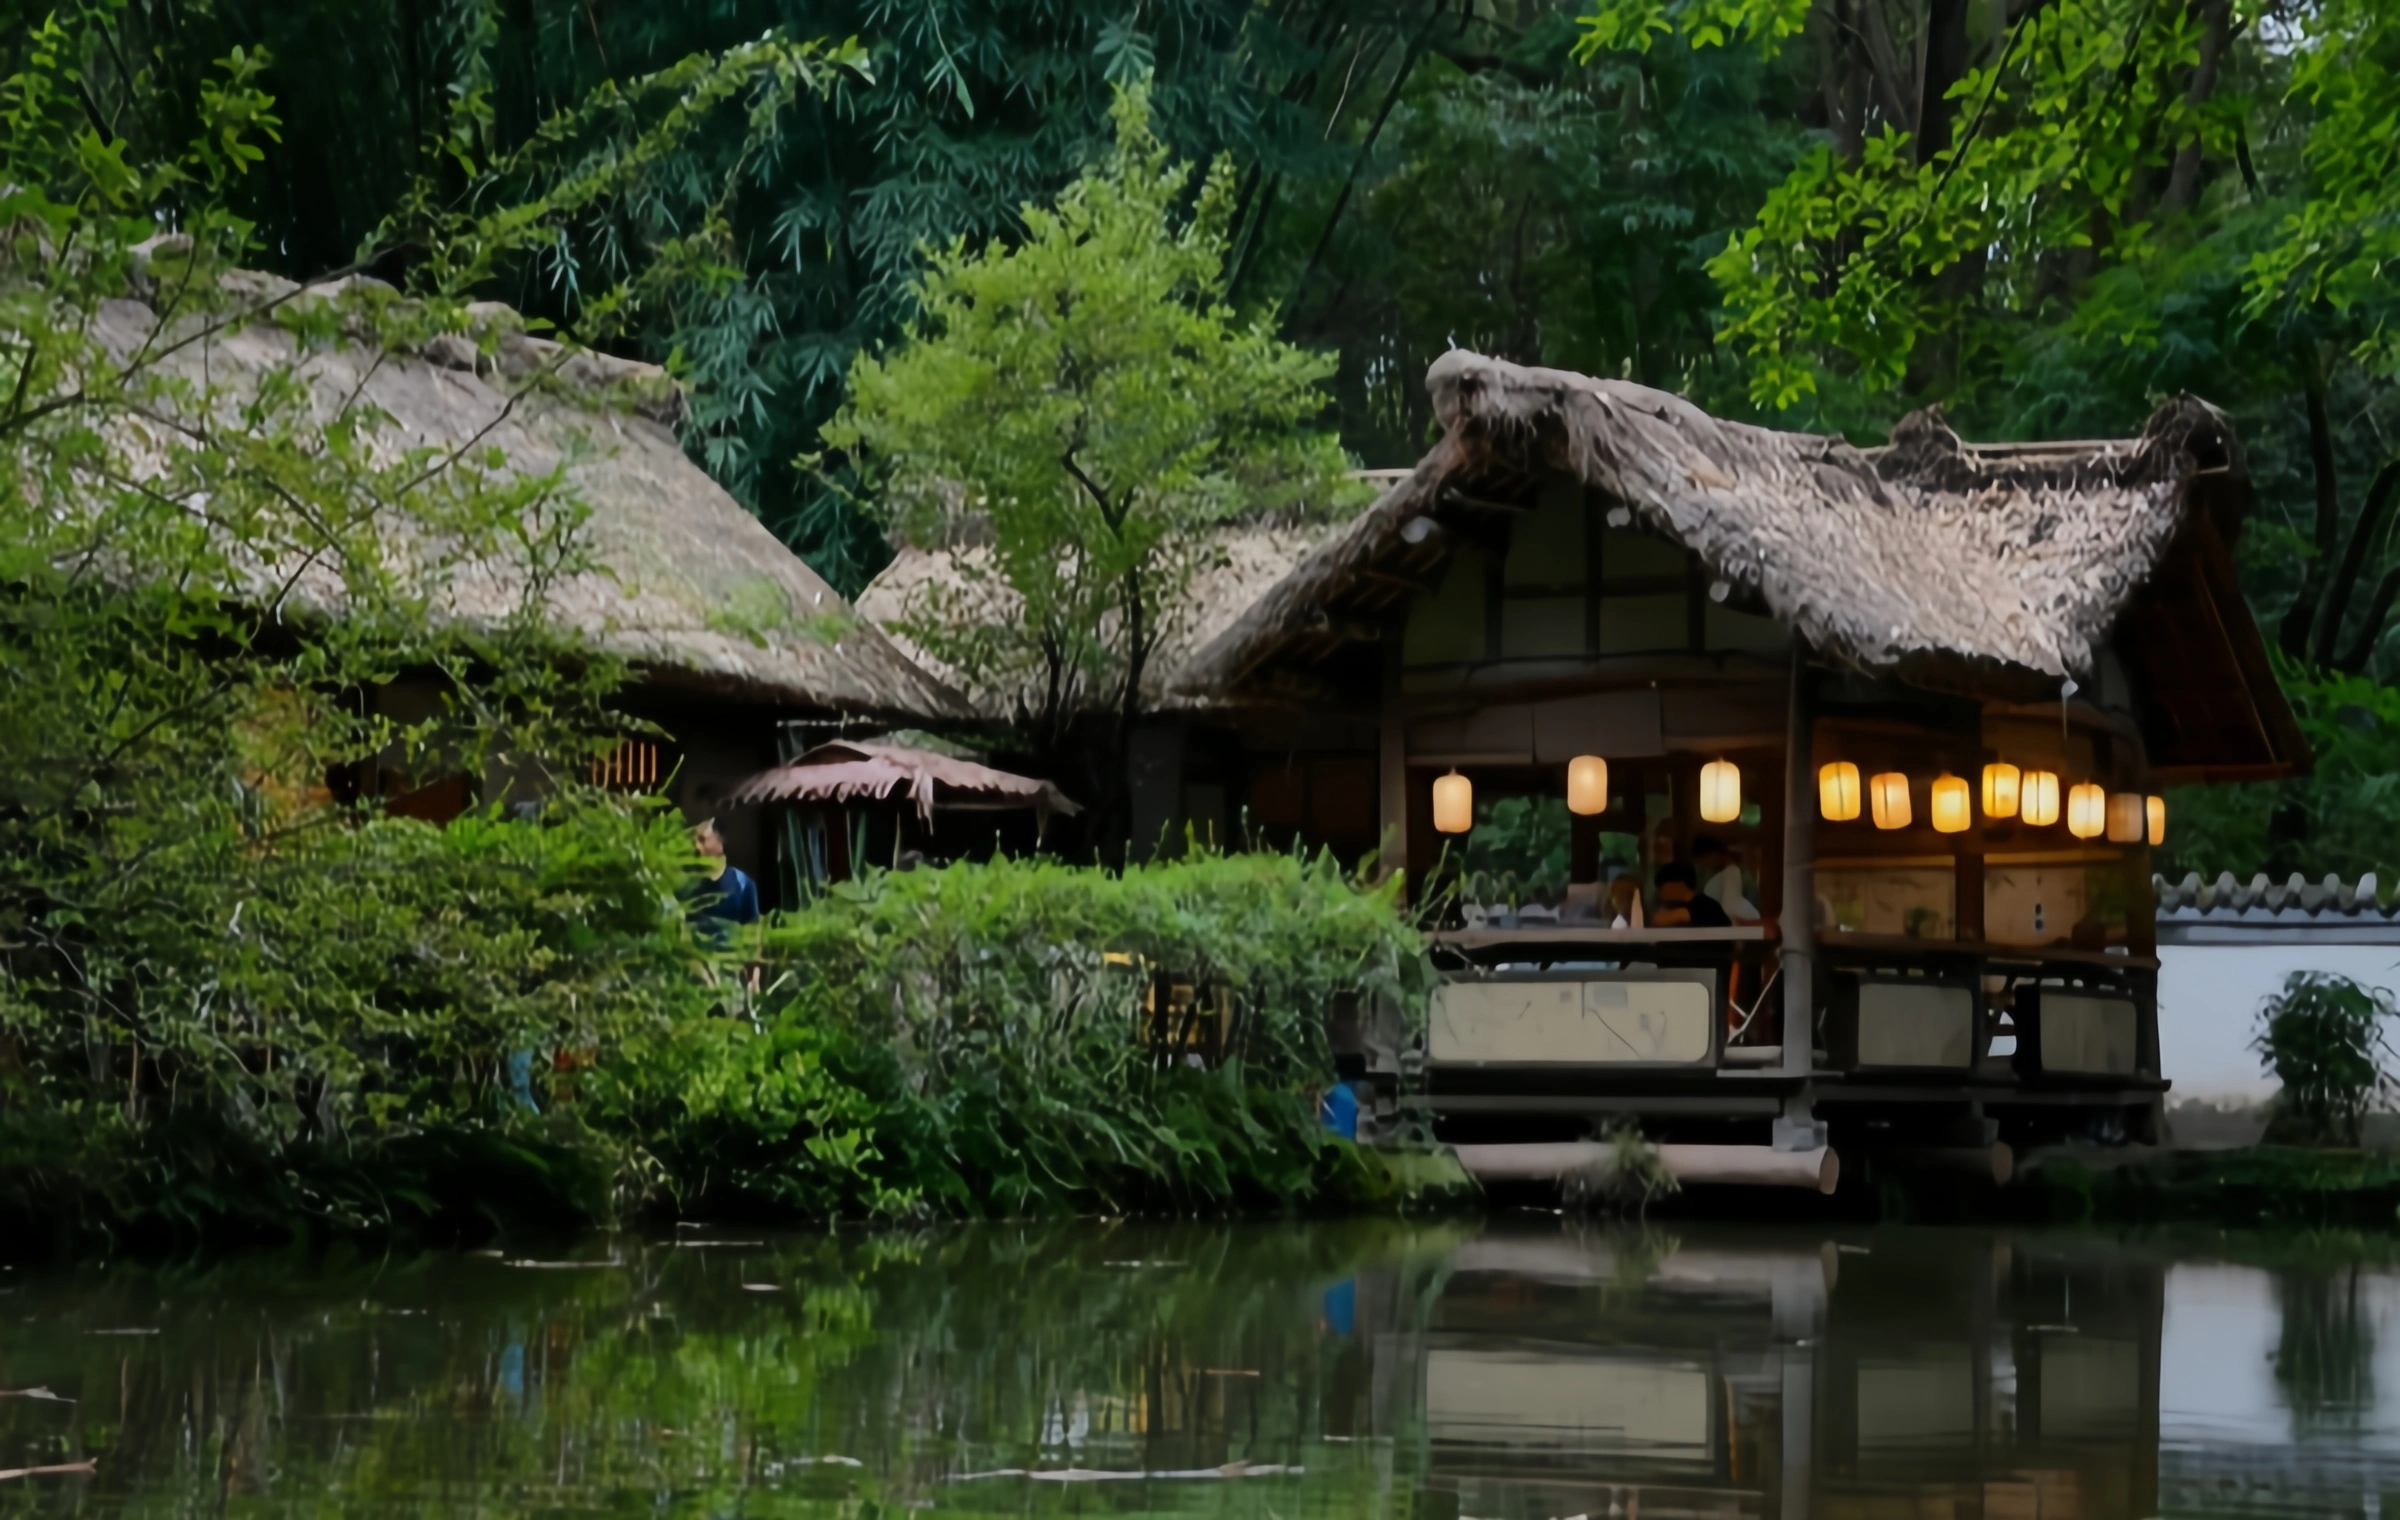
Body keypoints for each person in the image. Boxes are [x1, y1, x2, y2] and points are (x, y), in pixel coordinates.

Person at [687, 820, 761, 944]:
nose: (697, 847)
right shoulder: (689, 886)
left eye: (702, 840)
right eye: (694, 842)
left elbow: (753, 936)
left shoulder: (743, 884)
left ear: (720, 840)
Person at [1691, 834, 1761, 922]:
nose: (1704, 864)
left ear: (1715, 854)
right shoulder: (1706, 875)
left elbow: (1754, 903)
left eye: (1704, 859)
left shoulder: (1744, 877)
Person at [1652, 861, 1731, 928]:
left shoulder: (1705, 905)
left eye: (1661, 886)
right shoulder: (1690, 905)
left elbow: (1661, 920)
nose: (1660, 892)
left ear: (1678, 884)